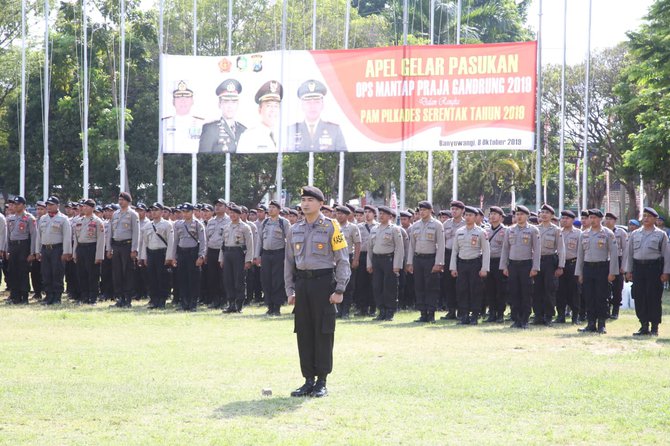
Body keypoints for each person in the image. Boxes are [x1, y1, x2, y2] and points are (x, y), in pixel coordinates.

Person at [285, 186, 350, 398]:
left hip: (324, 284)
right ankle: (307, 380)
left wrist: (340, 289)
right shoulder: (294, 229)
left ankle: (322, 381)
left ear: (321, 204)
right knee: (303, 332)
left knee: (323, 332)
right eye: (303, 199)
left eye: (310, 200)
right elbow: (288, 263)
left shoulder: (332, 226)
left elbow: (342, 260)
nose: (305, 204)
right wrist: (290, 289)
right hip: (302, 285)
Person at [625, 207, 670, 336]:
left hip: (654, 268)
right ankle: (643, 325)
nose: (646, 218)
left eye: (649, 216)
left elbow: (666, 255)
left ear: (655, 219)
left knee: (653, 297)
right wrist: (629, 271)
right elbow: (630, 254)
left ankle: (654, 327)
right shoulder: (635, 234)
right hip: (639, 268)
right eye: (644, 216)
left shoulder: (661, 234)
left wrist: (666, 272)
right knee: (639, 296)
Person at [575, 209, 619, 334]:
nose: (592, 220)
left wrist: (612, 272)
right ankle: (590, 323)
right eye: (590, 217)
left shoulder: (607, 233)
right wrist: (579, 273)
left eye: (594, 217)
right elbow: (580, 255)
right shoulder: (584, 234)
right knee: (589, 297)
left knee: (601, 297)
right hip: (588, 268)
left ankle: (601, 324)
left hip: (602, 268)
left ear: (600, 219)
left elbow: (614, 254)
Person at [500, 205, 541, 329]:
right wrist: (504, 266)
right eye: (517, 215)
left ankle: (525, 319)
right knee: (514, 293)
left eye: (521, 214)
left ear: (527, 216)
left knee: (526, 293)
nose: (519, 217)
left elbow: (537, 250)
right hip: (513, 265)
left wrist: (535, 267)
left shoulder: (533, 230)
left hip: (526, 265)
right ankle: (516, 318)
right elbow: (505, 249)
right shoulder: (510, 230)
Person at [450, 206, 490, 325]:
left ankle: (475, 315)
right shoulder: (459, 231)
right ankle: (464, 315)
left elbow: (486, 251)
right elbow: (455, 251)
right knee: (462, 290)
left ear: (476, 217)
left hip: (475, 264)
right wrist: (453, 267)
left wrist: (484, 268)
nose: (467, 217)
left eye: (470, 215)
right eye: (466, 215)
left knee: (475, 290)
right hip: (462, 264)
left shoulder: (481, 232)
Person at [406, 201, 445, 323]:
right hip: (418, 259)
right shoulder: (415, 226)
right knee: (419, 286)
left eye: (424, 210)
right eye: (420, 210)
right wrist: (410, 262)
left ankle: (431, 313)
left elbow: (441, 245)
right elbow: (411, 245)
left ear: (430, 210)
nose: (421, 212)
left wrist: (438, 263)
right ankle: (423, 313)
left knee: (431, 287)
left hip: (431, 259)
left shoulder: (437, 225)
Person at [286, 79, 347, 152]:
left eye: (316, 102)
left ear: (322, 105)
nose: (312, 106)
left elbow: (343, 155)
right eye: (308, 102)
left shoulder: (334, 130)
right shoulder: (291, 130)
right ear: (302, 105)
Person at [367, 206, 404, 321]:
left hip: (389, 260)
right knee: (377, 286)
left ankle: (390, 311)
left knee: (389, 287)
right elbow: (369, 248)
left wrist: (397, 265)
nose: (381, 216)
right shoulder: (374, 229)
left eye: (383, 214)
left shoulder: (394, 229)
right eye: (380, 213)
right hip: (377, 260)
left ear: (390, 216)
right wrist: (369, 263)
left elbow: (399, 248)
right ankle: (381, 311)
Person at [255, 200, 290, 316]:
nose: (270, 210)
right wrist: (257, 256)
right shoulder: (264, 223)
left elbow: (289, 241)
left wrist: (288, 257)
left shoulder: (283, 222)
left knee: (277, 281)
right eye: (269, 208)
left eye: (273, 208)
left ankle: (277, 306)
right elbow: (259, 240)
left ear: (279, 210)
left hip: (279, 255)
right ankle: (269, 305)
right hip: (266, 255)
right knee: (266, 280)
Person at [106, 192, 140, 308]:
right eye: (119, 199)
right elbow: (110, 232)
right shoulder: (115, 214)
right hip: (117, 246)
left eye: (123, 200)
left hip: (127, 246)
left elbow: (136, 233)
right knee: (117, 273)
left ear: (128, 201)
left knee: (128, 272)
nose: (120, 202)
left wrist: (134, 249)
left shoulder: (133, 214)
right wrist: (109, 248)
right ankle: (119, 298)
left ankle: (128, 299)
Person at [533, 204, 565, 326]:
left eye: (547, 212)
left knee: (549, 289)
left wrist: (560, 266)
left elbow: (561, 249)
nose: (544, 215)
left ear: (552, 215)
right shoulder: (535, 229)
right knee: (537, 289)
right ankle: (538, 315)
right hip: (537, 261)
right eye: (542, 212)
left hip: (550, 262)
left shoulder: (556, 230)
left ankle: (549, 315)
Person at [171, 203, 206, 312]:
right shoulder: (178, 224)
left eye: (187, 212)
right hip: (182, 253)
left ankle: (193, 303)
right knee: (182, 279)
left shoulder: (198, 224)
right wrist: (173, 256)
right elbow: (175, 241)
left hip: (193, 253)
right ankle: (184, 302)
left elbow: (203, 241)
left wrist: (201, 256)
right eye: (183, 212)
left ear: (192, 212)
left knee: (193, 279)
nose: (185, 214)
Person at [139, 203, 174, 309]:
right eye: (152, 210)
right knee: (152, 278)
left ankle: (162, 300)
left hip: (162, 253)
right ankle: (154, 300)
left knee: (162, 278)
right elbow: (144, 243)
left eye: (156, 210)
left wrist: (169, 257)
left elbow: (171, 242)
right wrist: (144, 257)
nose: (153, 212)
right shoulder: (147, 226)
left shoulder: (167, 225)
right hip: (151, 253)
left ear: (162, 211)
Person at [219, 204, 254, 313]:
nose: (232, 215)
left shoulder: (245, 227)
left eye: (234, 213)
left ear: (239, 214)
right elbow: (223, 244)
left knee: (239, 280)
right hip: (227, 254)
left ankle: (239, 305)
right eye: (231, 213)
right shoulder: (226, 227)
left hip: (239, 254)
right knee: (228, 280)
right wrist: (221, 258)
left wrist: (248, 260)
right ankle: (231, 303)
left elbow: (250, 245)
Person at [72, 198, 106, 305]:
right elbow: (76, 239)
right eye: (83, 206)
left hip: (92, 248)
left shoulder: (97, 221)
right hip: (81, 249)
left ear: (92, 208)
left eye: (86, 206)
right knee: (81, 274)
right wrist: (75, 253)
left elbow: (101, 240)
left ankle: (93, 298)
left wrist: (99, 256)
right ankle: (84, 297)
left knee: (93, 275)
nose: (84, 208)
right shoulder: (79, 221)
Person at [199, 79, 246, 153]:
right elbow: (203, 158)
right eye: (226, 102)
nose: (230, 106)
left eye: (233, 102)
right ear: (219, 104)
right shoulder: (210, 129)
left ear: (237, 105)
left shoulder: (243, 130)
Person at [237, 80, 283, 153]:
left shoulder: (285, 135)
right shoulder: (248, 137)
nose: (273, 110)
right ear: (259, 109)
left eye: (276, 106)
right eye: (269, 106)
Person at [6, 196, 36, 305]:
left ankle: (24, 296)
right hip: (13, 246)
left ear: (23, 205)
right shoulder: (10, 218)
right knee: (13, 271)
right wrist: (7, 250)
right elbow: (8, 236)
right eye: (14, 204)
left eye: (18, 204)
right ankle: (15, 296)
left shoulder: (29, 218)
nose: (15, 206)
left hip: (24, 246)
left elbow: (34, 236)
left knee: (23, 272)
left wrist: (32, 252)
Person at [163, 80, 204, 153]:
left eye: (187, 97)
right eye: (178, 97)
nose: (183, 101)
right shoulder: (165, 123)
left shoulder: (202, 124)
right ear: (173, 101)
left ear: (192, 101)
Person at [441, 200, 466, 319]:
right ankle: (451, 310)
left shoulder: (466, 223)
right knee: (448, 284)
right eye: (452, 209)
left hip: (461, 255)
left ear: (462, 211)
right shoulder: (446, 224)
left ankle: (462, 310)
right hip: (448, 254)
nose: (454, 211)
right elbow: (442, 241)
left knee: (461, 285)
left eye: (456, 209)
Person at [335, 205, 361, 318]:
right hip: (335, 258)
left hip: (348, 257)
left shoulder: (353, 227)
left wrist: (355, 259)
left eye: (341, 214)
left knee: (348, 285)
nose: (339, 216)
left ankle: (345, 310)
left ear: (347, 215)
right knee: (335, 284)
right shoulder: (333, 226)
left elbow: (358, 244)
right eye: (337, 214)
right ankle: (337, 310)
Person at [204, 199, 229, 309]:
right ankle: (215, 300)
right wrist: (205, 254)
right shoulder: (211, 221)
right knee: (212, 277)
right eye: (216, 205)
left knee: (223, 277)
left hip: (222, 251)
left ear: (225, 208)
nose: (217, 207)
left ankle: (224, 300)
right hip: (211, 251)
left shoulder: (228, 220)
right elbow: (206, 239)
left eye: (220, 205)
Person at [557, 210, 581, 324]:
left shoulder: (578, 233)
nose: (564, 220)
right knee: (560, 291)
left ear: (573, 220)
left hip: (573, 264)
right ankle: (560, 315)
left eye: (567, 218)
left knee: (574, 291)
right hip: (559, 266)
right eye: (563, 218)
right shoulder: (558, 232)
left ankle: (575, 316)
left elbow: (581, 253)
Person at [484, 206, 507, 323]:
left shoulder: (506, 231)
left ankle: (500, 314)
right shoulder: (486, 231)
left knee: (500, 290)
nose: (492, 216)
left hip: (500, 263)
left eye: (495, 214)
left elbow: (507, 249)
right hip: (489, 263)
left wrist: (505, 266)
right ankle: (491, 313)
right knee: (490, 289)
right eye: (490, 214)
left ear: (501, 217)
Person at [604, 212, 627, 319]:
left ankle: (616, 310)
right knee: (605, 287)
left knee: (617, 287)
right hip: (604, 261)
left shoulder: (621, 232)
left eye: (610, 219)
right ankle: (606, 310)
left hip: (617, 260)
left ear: (615, 221)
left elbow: (625, 249)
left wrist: (624, 266)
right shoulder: (602, 231)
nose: (607, 221)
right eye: (606, 218)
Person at [355, 205, 377, 316]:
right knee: (361, 283)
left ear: (374, 214)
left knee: (373, 283)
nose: (367, 214)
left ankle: (373, 308)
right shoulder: (358, 227)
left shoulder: (378, 227)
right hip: (362, 255)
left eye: (370, 212)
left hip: (374, 256)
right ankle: (361, 308)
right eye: (365, 212)